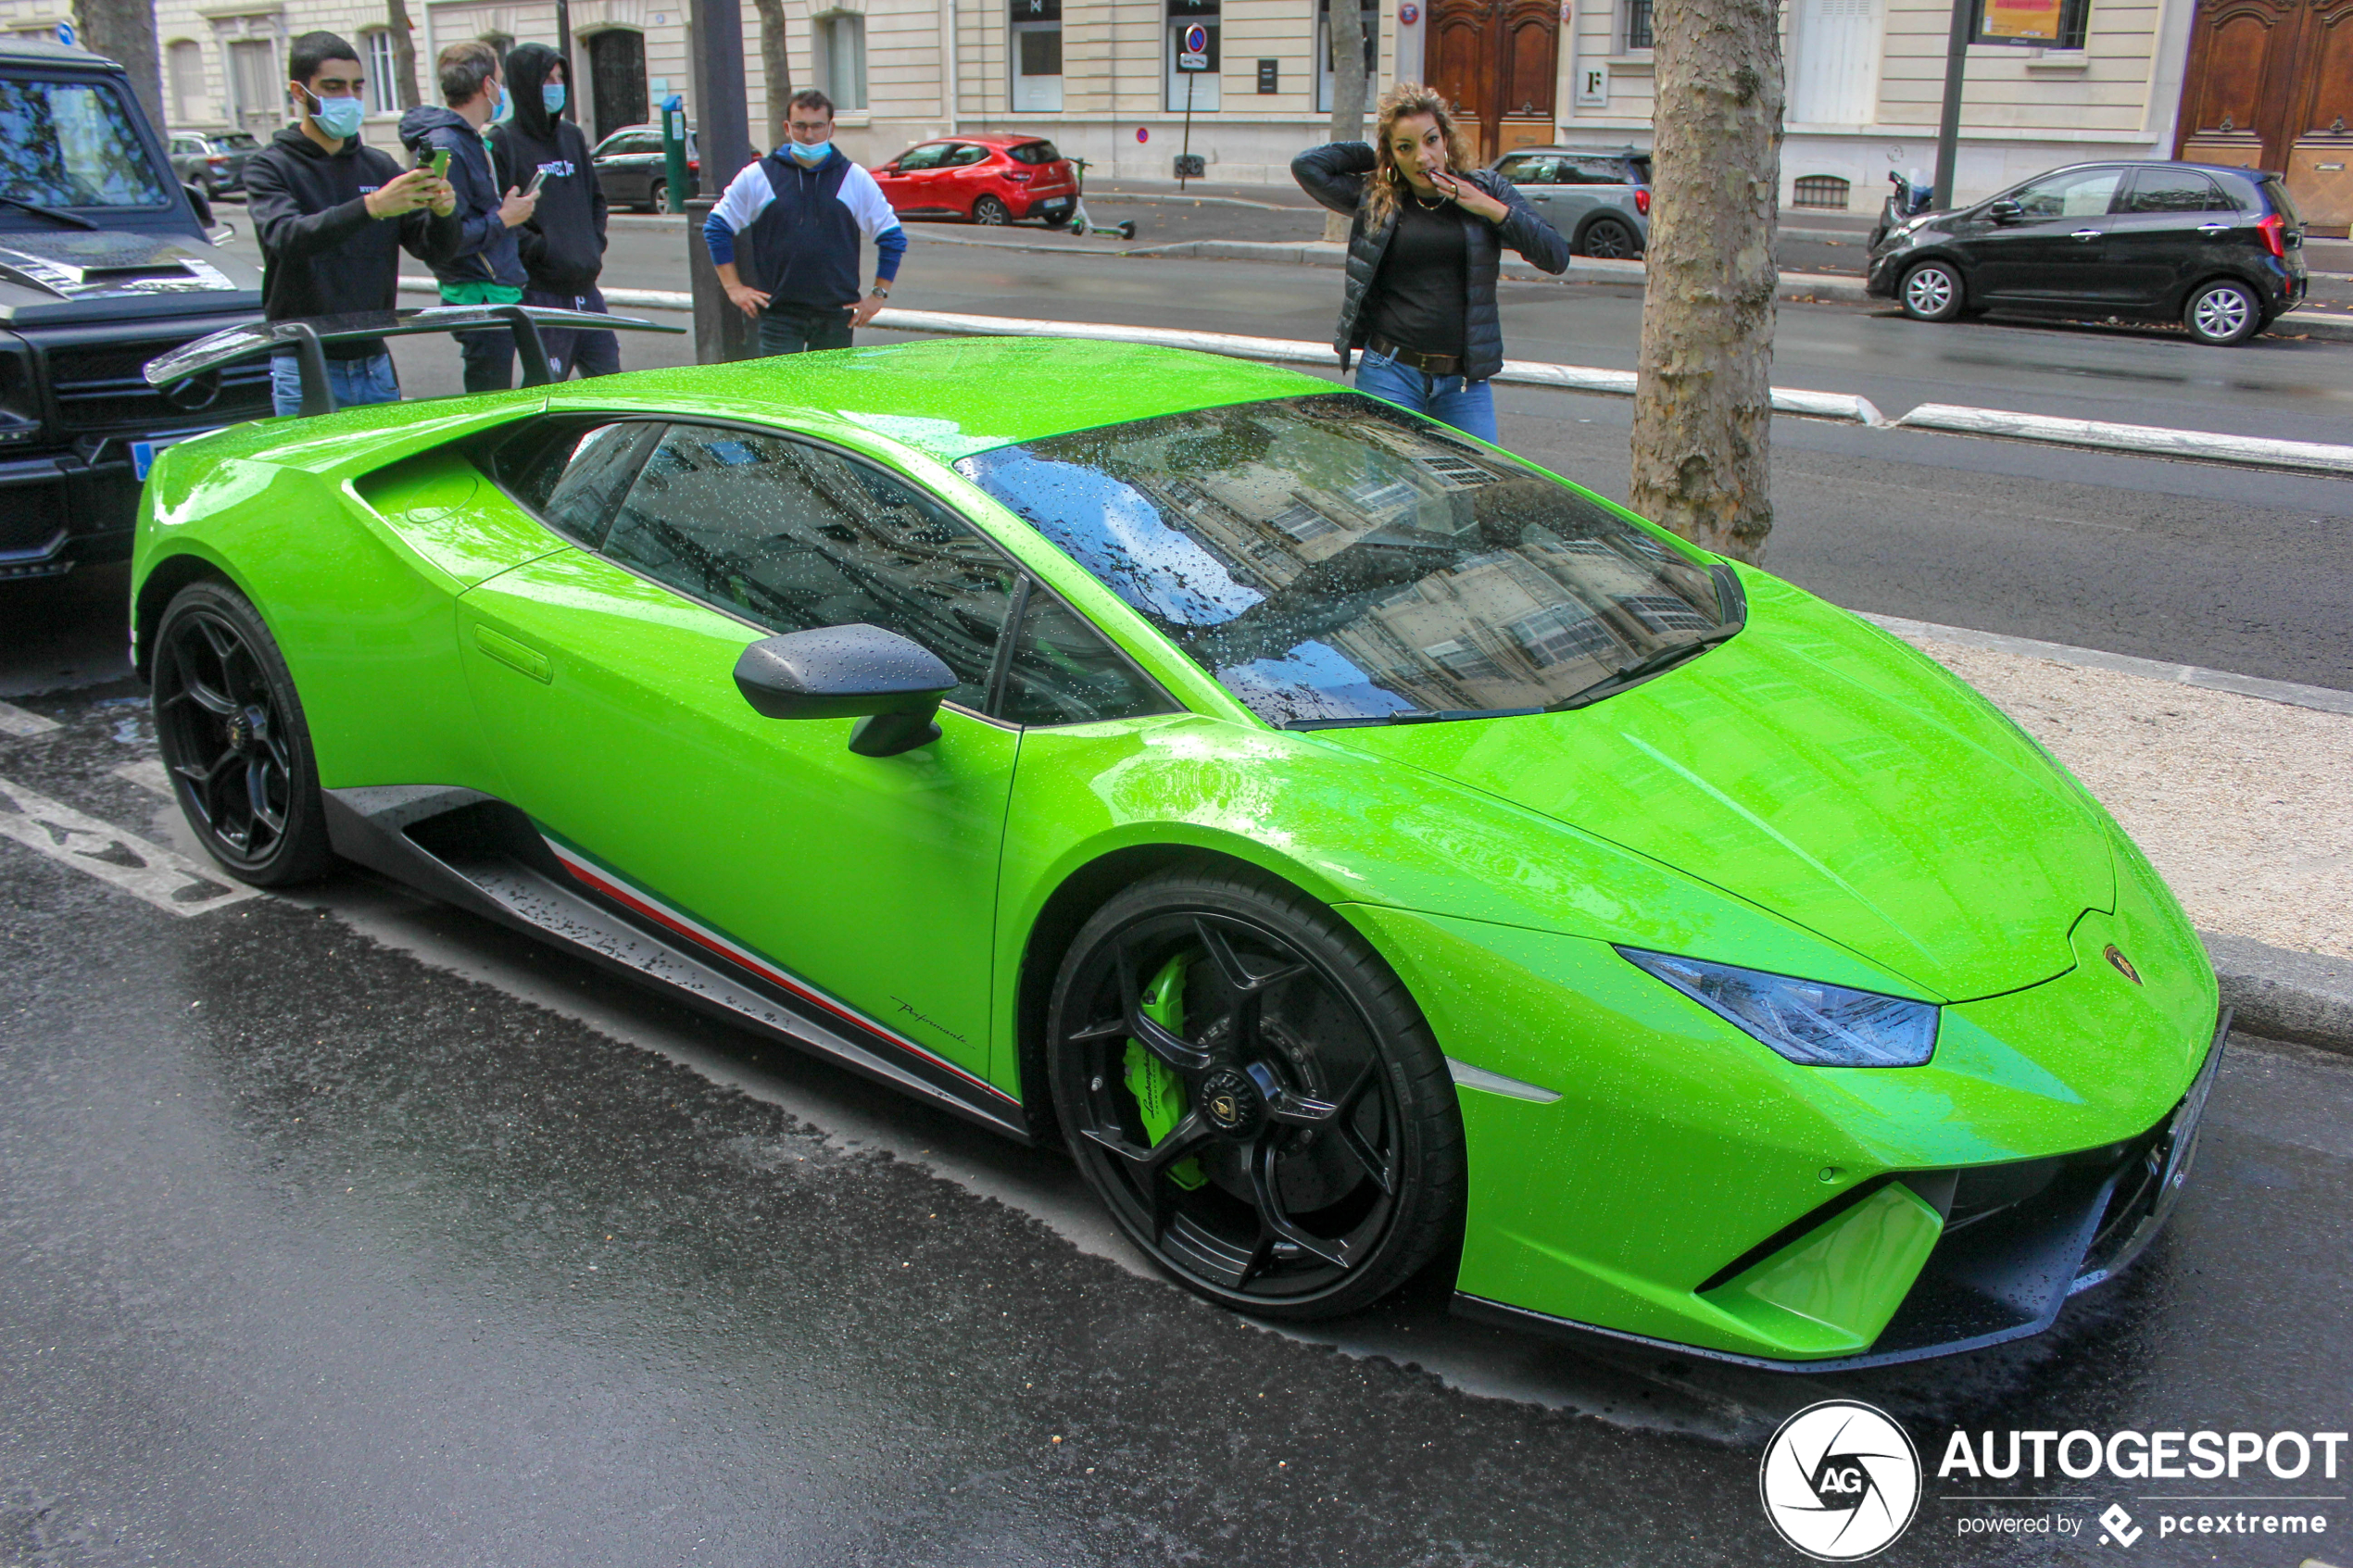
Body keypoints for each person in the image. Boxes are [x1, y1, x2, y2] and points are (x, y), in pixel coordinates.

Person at [1292, 83, 1568, 443]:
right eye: (1406, 147)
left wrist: (1485, 205)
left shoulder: (1486, 187)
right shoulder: (1378, 198)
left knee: (1471, 491)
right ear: (1393, 154)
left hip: (1463, 385)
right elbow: (1308, 166)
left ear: (1446, 139)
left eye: (1431, 140)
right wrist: (1379, 154)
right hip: (1390, 373)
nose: (1423, 157)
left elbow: (1556, 255)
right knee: (1390, 494)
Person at [243, 31, 459, 418]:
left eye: (356, 88)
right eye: (333, 87)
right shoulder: (271, 165)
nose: (348, 98)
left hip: (373, 360)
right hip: (305, 361)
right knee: (309, 475)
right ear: (299, 92)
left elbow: (434, 250)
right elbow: (286, 236)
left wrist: (444, 214)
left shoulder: (377, 166)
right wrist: (371, 206)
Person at [703, 90, 906, 357]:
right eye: (800, 126)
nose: (809, 135)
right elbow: (716, 228)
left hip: (836, 316)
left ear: (831, 128)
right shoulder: (759, 176)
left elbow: (892, 238)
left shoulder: (853, 178)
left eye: (817, 126)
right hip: (779, 316)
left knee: (826, 396)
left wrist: (878, 296)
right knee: (781, 397)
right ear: (787, 128)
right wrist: (733, 288)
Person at [400, 41, 538, 393]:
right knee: (488, 400)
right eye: (500, 80)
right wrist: (504, 219)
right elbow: (445, 237)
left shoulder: (469, 141)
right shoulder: (446, 146)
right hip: (479, 298)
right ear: (487, 86)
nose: (502, 90)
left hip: (493, 292)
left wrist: (504, 213)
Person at [489, 44, 617, 380]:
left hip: (586, 288)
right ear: (525, 84)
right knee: (547, 388)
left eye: (561, 77)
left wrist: (592, 243)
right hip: (541, 291)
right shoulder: (503, 141)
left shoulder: (572, 137)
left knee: (612, 385)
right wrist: (543, 250)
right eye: (547, 79)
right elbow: (500, 215)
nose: (556, 86)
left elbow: (596, 200)